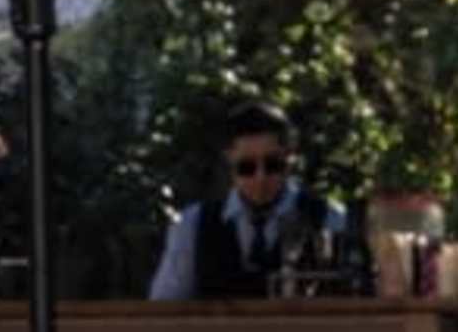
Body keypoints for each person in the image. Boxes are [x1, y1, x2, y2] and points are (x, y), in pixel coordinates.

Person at [148, 97, 358, 302]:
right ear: (229, 160)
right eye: (246, 167)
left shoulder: (328, 220)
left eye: (273, 165)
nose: (261, 178)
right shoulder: (193, 226)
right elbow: (165, 309)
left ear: (289, 159)